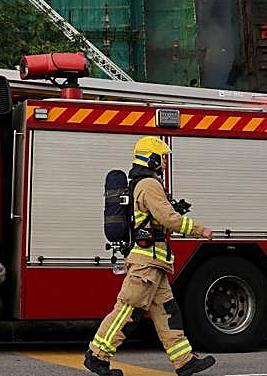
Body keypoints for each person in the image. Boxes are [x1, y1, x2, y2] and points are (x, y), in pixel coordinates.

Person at [85, 136, 217, 376]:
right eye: (162, 158)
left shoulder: (143, 184)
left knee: (167, 313)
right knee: (128, 310)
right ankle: (97, 356)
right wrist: (199, 229)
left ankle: (184, 361)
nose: (164, 163)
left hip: (155, 262)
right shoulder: (148, 184)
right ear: (152, 158)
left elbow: (156, 217)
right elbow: (168, 220)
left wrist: (173, 208)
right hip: (146, 262)